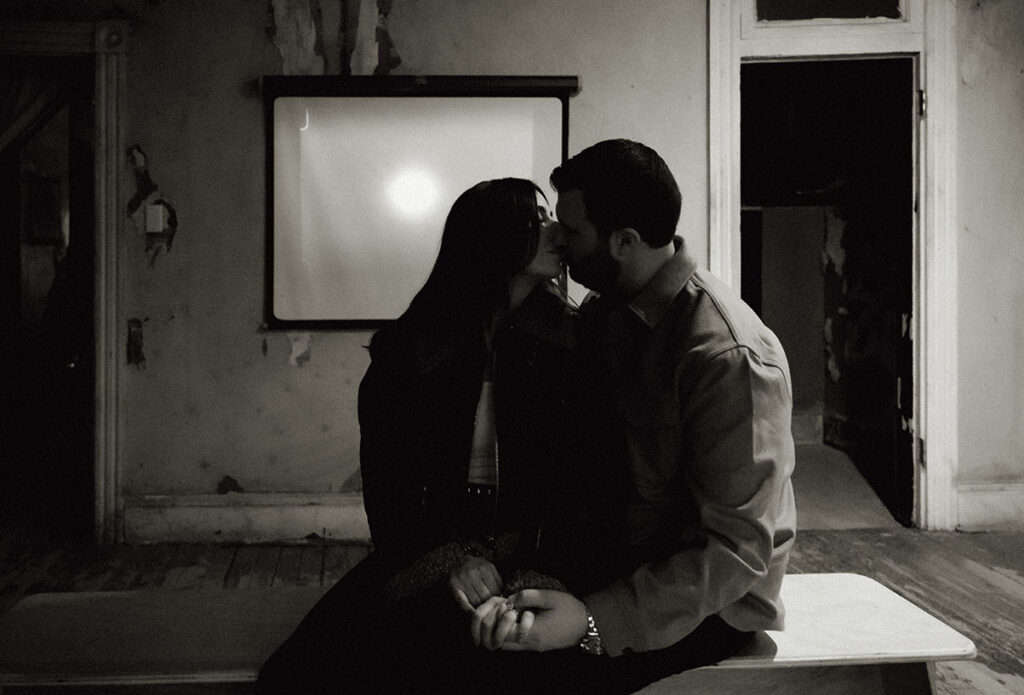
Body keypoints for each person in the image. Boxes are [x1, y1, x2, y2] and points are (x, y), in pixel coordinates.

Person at [472, 139, 797, 694]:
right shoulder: (611, 309)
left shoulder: (727, 356)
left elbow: (735, 553)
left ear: (624, 241)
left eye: (571, 233)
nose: (559, 244)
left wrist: (595, 620)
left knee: (523, 676)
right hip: (624, 563)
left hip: (704, 605)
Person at [256, 177, 603, 694]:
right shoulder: (407, 350)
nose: (557, 232)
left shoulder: (572, 344)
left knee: (514, 660)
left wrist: (541, 571)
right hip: (433, 550)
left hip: (537, 559)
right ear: (494, 237)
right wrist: (451, 561)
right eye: (537, 218)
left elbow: (584, 481)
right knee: (303, 672)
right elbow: (388, 486)